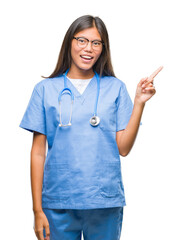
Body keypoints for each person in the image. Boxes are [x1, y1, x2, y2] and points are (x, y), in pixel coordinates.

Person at [19, 15, 163, 240]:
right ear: (70, 42)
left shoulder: (114, 88)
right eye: (82, 40)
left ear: (103, 49)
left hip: (103, 201)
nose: (89, 49)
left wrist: (139, 103)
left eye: (96, 43)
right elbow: (38, 153)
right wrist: (37, 210)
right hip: (58, 203)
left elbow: (123, 148)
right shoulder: (45, 89)